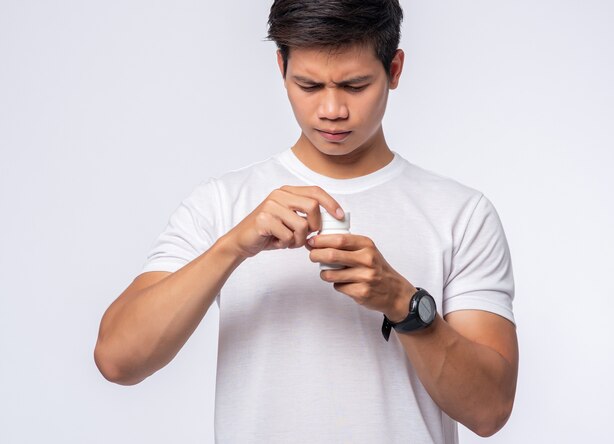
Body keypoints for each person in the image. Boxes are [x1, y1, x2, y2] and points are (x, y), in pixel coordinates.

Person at [94, 0, 518, 442]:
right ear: (281, 67)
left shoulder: (461, 213)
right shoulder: (221, 202)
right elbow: (118, 359)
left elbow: (489, 411)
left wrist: (404, 304)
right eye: (309, 85)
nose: (331, 110)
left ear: (394, 69)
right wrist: (232, 247)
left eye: (355, 85)